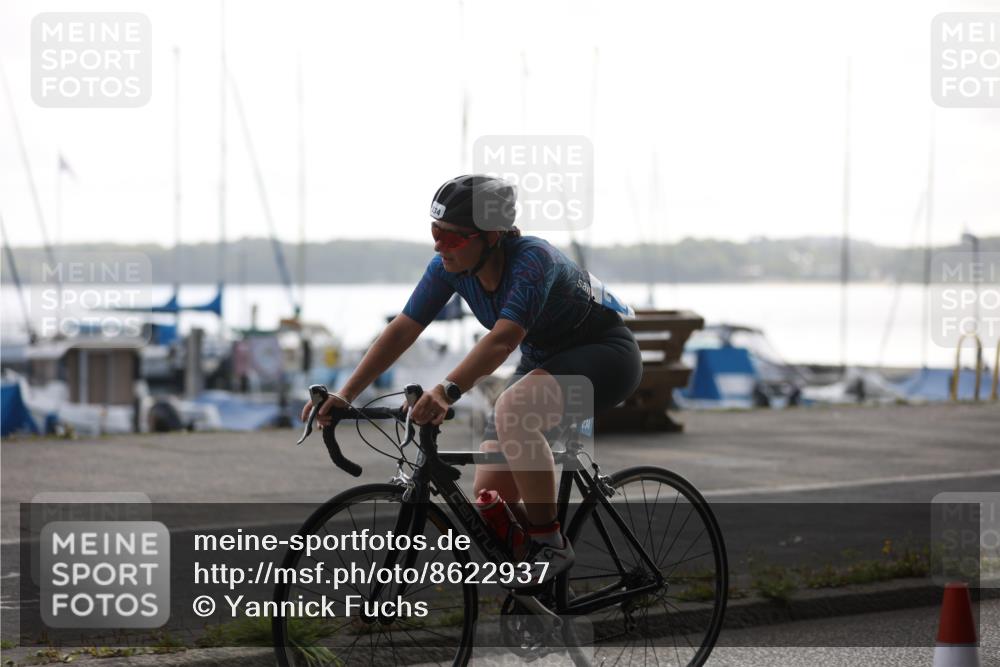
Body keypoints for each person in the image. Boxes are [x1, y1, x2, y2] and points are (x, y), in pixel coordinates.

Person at [302, 175, 643, 587]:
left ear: (493, 236)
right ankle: (537, 595)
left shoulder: (535, 260)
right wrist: (345, 393)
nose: (438, 246)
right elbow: (403, 330)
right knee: (490, 499)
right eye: (435, 232)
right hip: (544, 359)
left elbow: (502, 340)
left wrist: (446, 390)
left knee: (515, 409)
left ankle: (552, 544)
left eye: (453, 238)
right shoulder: (449, 267)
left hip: (605, 354)